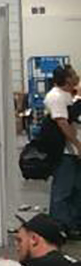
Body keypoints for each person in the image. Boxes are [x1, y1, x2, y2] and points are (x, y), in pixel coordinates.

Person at [46, 66, 81, 232]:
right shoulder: (56, 97)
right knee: (62, 190)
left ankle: (72, 224)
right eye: (74, 74)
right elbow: (62, 123)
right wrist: (78, 145)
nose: (77, 76)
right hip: (66, 153)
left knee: (76, 189)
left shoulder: (68, 96)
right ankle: (59, 227)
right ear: (67, 79)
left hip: (74, 152)